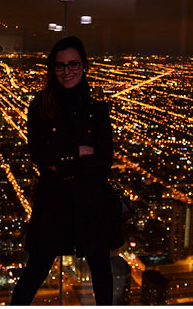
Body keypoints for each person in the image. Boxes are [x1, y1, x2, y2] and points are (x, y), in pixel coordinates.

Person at [11, 36, 122, 305]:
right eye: (60, 66)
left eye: (73, 64)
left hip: (91, 199)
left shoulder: (98, 110)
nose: (67, 71)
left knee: (100, 271)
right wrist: (79, 151)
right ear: (53, 69)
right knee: (36, 268)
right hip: (55, 200)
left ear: (84, 66)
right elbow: (39, 155)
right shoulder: (40, 106)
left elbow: (105, 160)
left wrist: (60, 159)